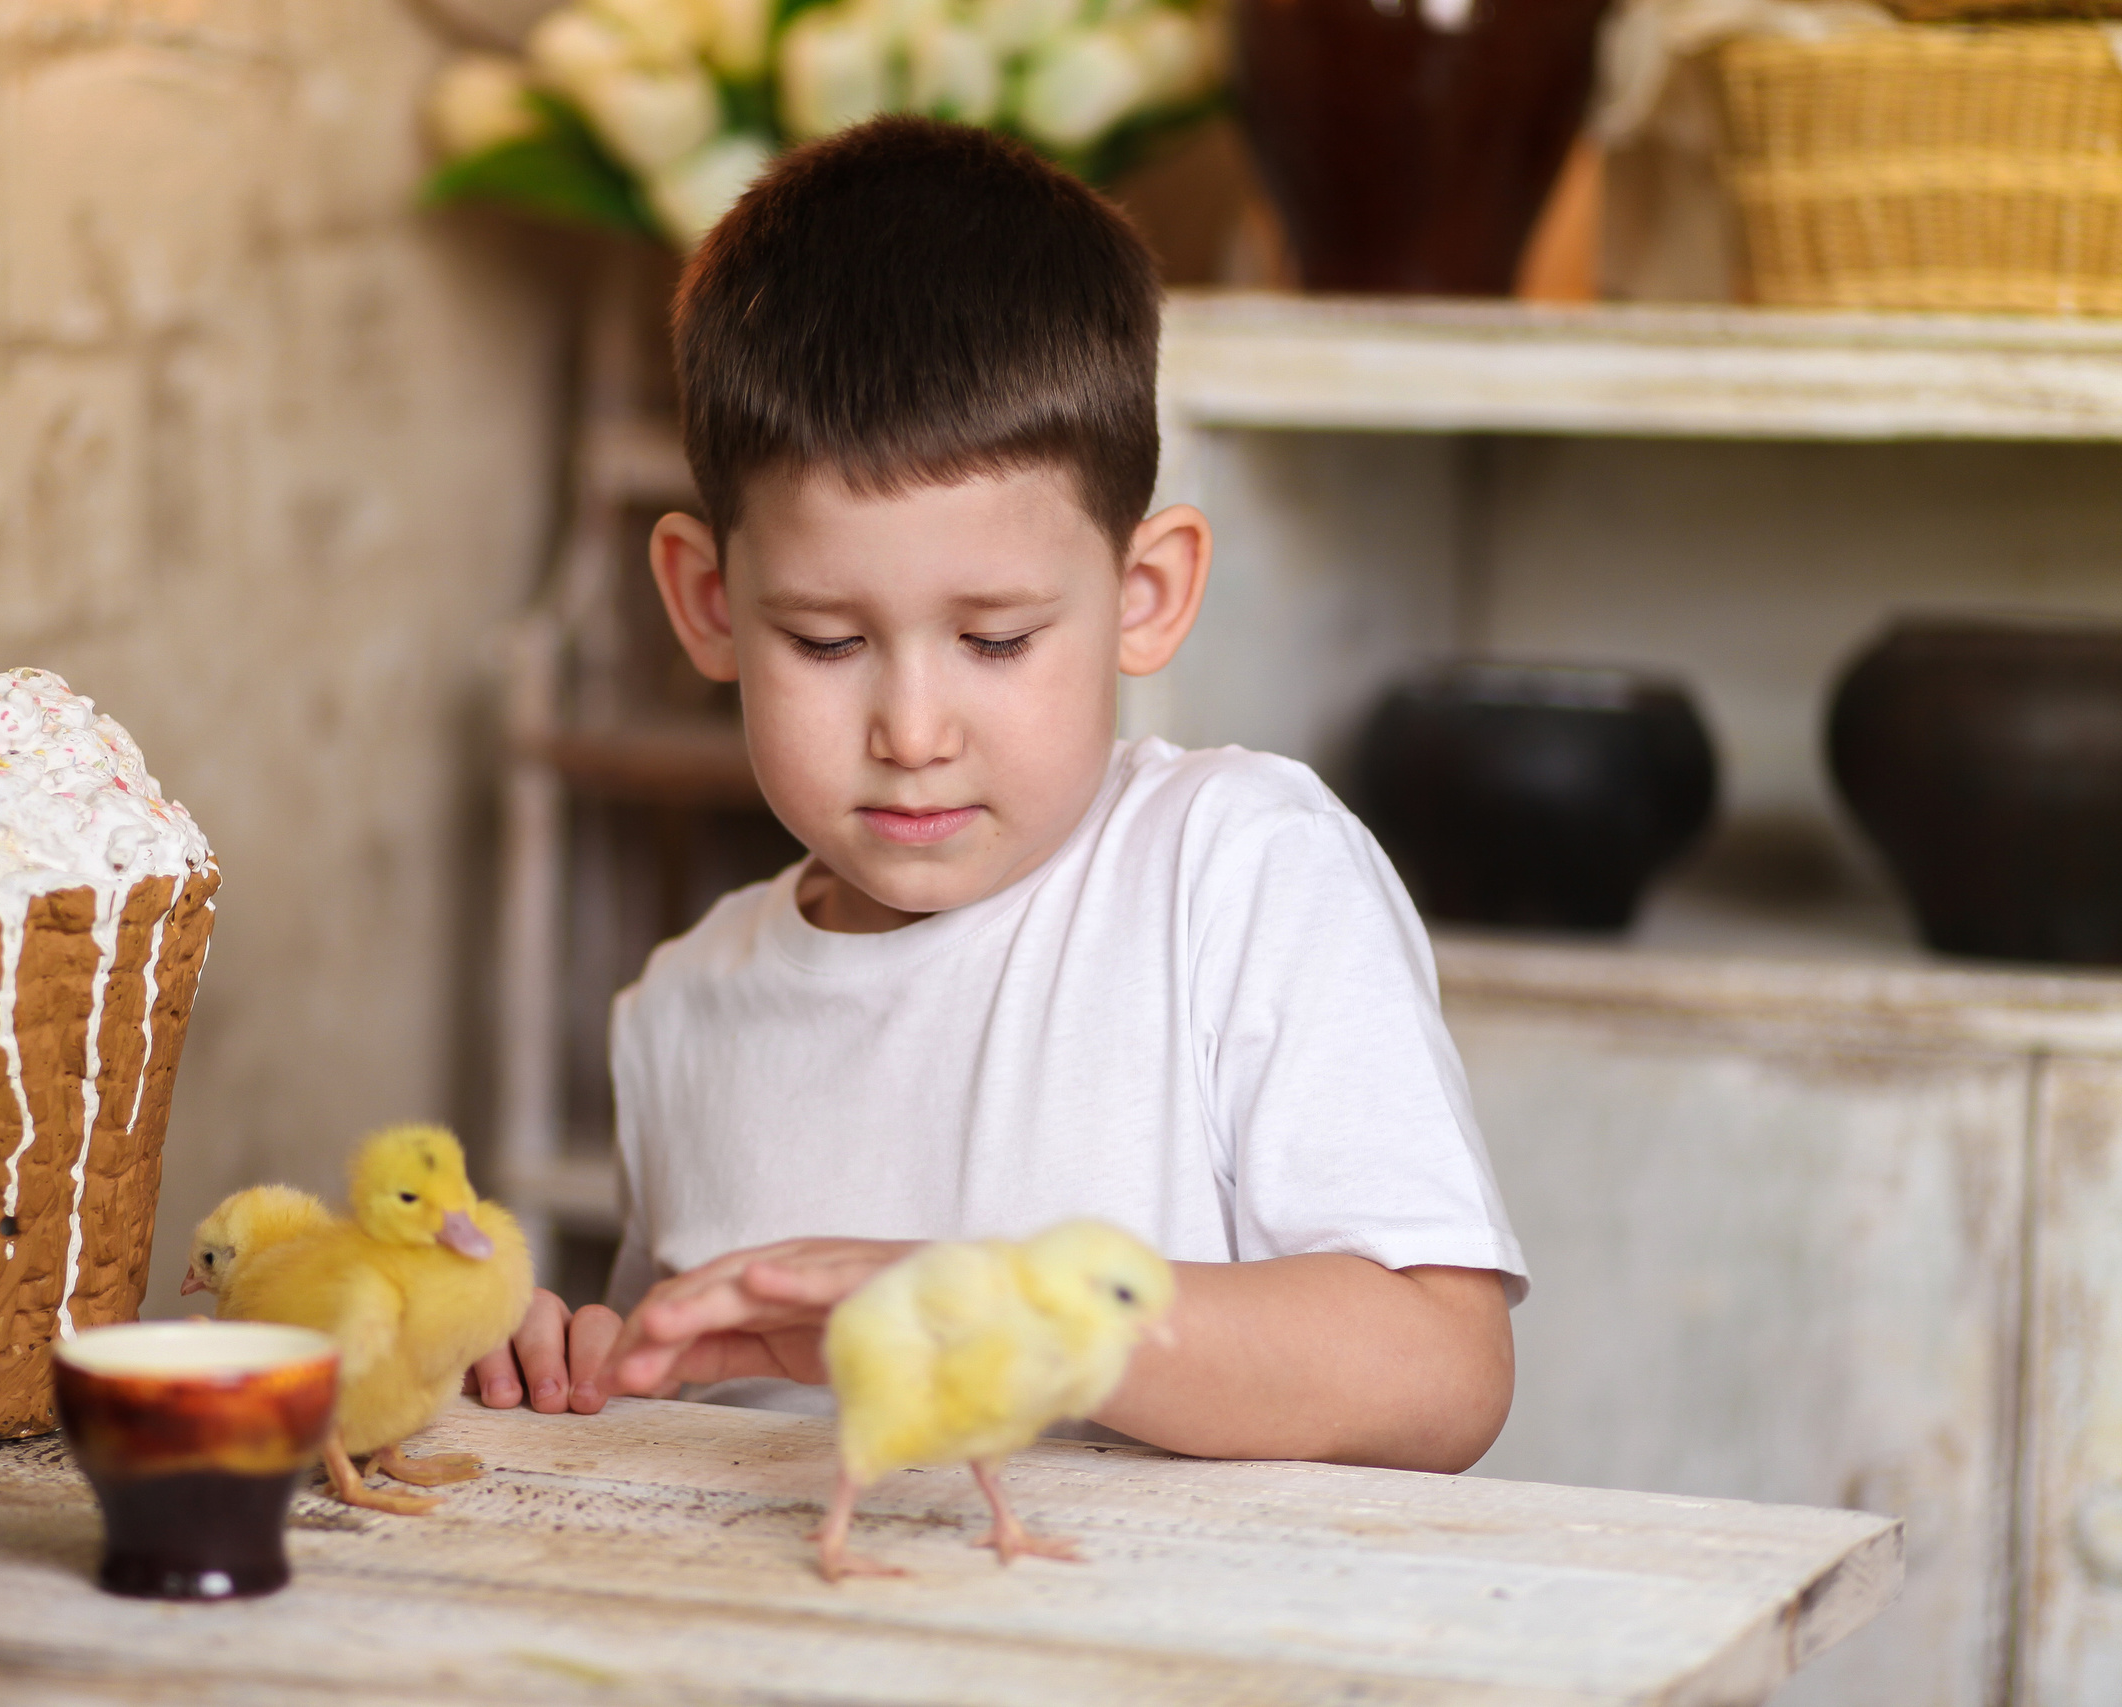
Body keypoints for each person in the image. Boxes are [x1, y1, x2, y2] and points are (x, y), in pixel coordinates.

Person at [470, 116, 1525, 1467]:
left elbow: (1439, 1372)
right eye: (828, 643)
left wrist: (1002, 1310)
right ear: (704, 603)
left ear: (1145, 597)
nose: (912, 730)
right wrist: (583, 1371)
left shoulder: (1235, 873)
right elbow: (713, 1427)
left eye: (998, 641)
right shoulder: (682, 1009)